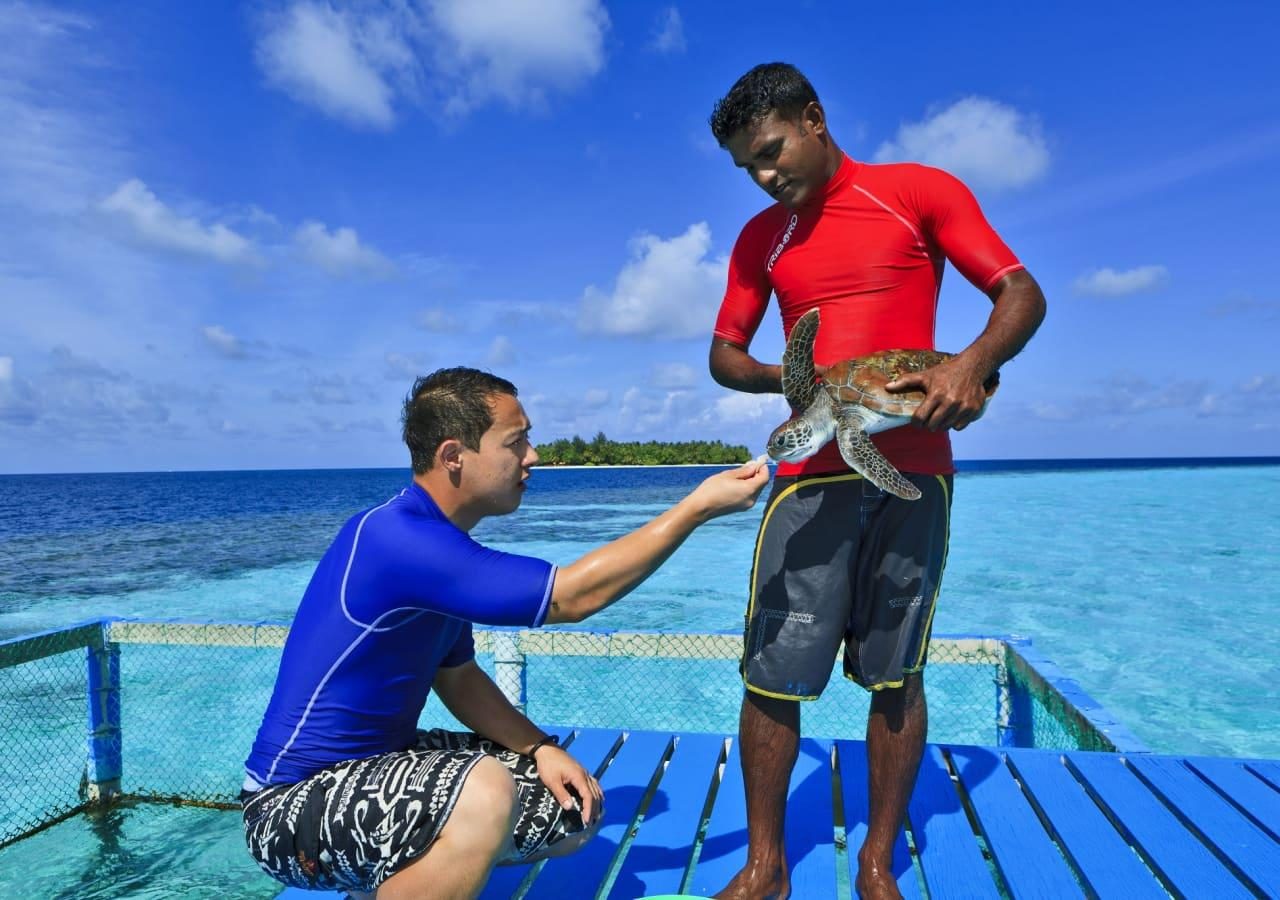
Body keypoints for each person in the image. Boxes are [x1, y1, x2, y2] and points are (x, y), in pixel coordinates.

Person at [705, 64, 1046, 900]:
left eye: (773, 151)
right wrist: (797, 387)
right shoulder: (761, 239)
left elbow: (1020, 294)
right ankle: (764, 867)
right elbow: (724, 355)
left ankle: (877, 862)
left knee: (898, 670)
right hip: (809, 481)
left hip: (916, 472)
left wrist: (970, 366)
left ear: (815, 120)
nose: (763, 175)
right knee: (770, 672)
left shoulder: (915, 192)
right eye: (747, 165)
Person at [241, 367, 770, 900]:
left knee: (569, 810)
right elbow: (572, 597)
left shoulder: (436, 543)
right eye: (516, 442)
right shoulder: (396, 540)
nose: (533, 456)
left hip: (373, 772)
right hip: (288, 807)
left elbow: (460, 678)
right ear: (453, 457)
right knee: (486, 792)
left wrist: (539, 747)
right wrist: (696, 508)